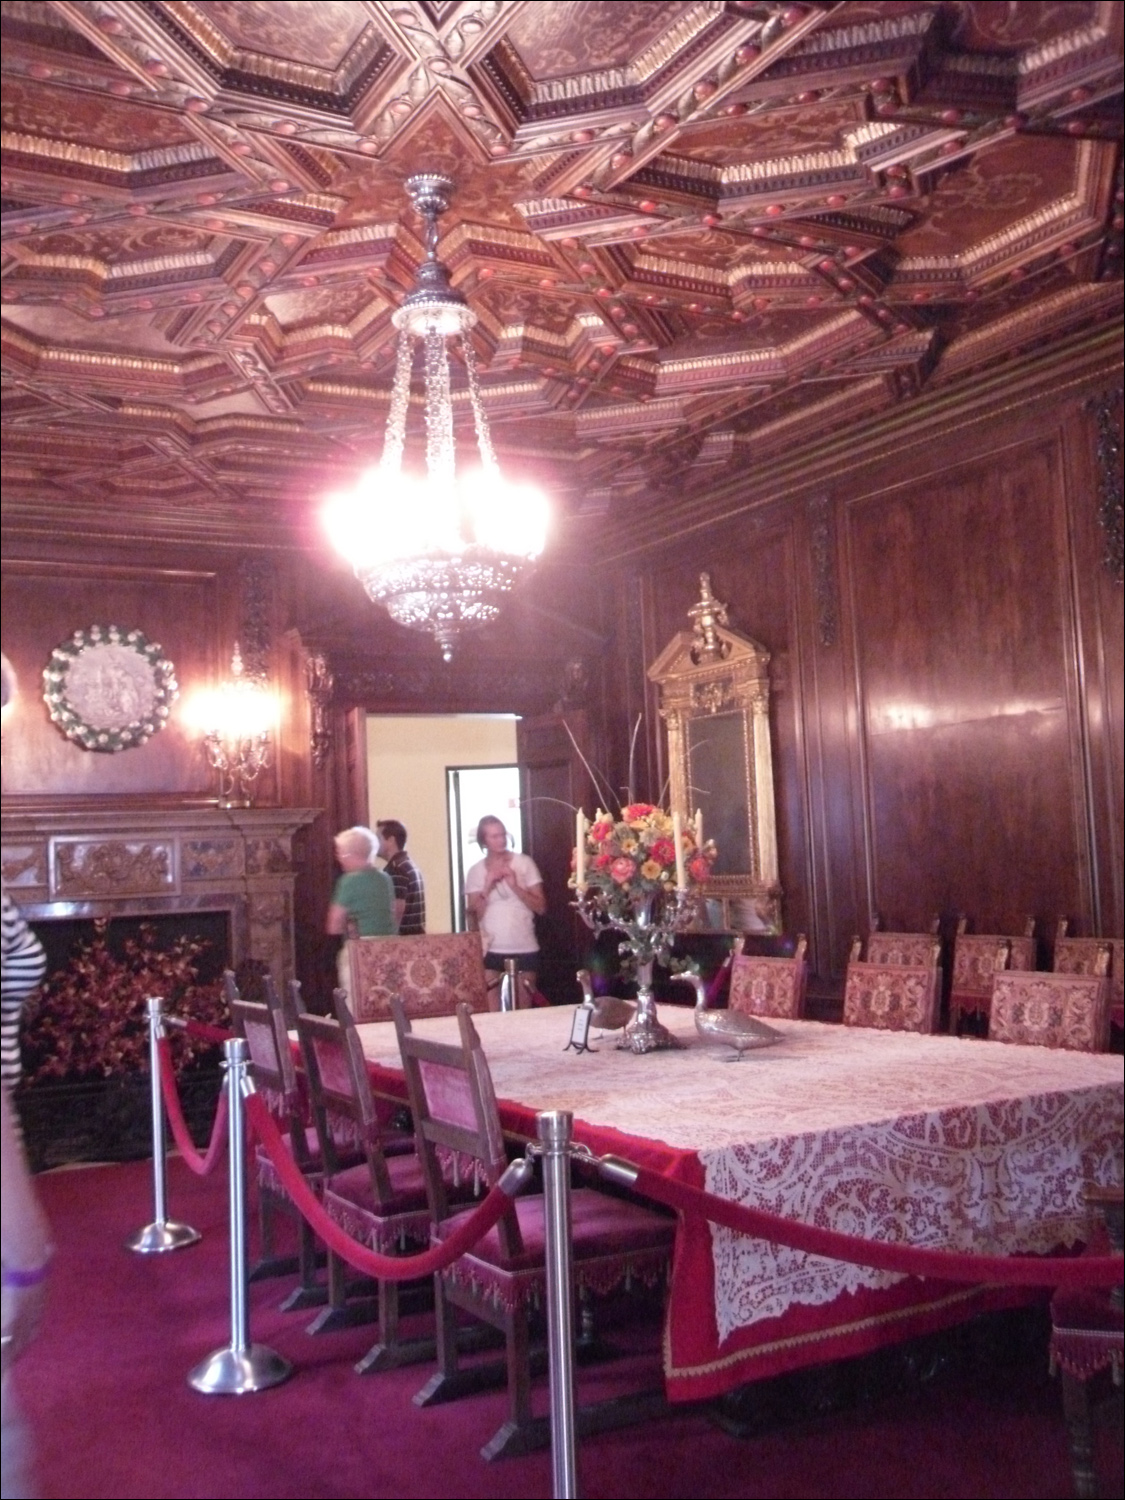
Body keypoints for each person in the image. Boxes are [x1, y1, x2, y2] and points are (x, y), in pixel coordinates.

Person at [464, 816, 545, 1008]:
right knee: (491, 1010)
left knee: (523, 1012)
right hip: (490, 948)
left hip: (523, 946)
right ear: (484, 841)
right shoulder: (475, 871)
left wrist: (515, 885)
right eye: (494, 836)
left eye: (502, 834)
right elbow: (473, 918)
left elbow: (541, 907)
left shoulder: (524, 863)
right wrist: (487, 886)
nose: (500, 840)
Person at [326, 827, 397, 940]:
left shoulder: (349, 881)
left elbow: (334, 925)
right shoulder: (385, 879)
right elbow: (393, 915)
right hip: (388, 946)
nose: (339, 859)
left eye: (341, 854)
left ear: (351, 854)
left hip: (362, 948)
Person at [376, 820, 426, 936]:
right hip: (416, 939)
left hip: (403, 941)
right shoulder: (408, 864)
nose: (375, 843)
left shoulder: (396, 869)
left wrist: (390, 939)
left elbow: (397, 909)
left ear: (391, 840)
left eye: (378, 838)